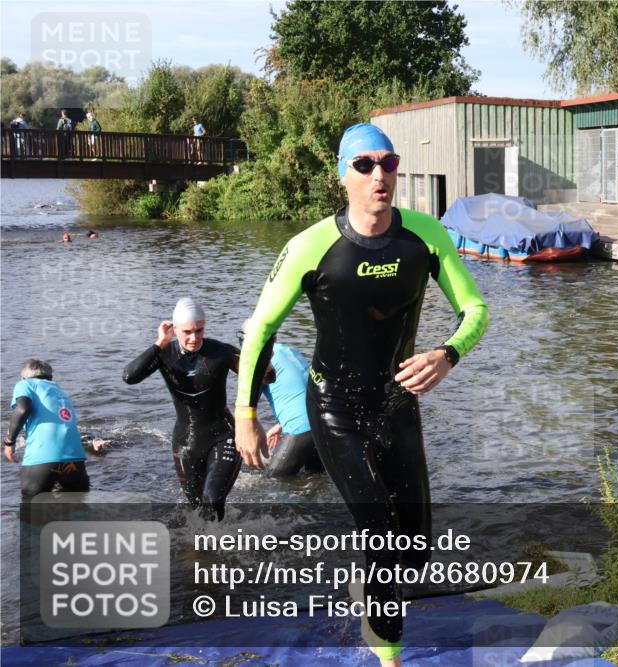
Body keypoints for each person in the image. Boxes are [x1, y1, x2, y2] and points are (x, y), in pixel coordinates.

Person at [234, 123, 488, 666]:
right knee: (381, 534)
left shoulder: (424, 236)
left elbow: (476, 310)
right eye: (366, 165)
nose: (380, 176)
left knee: (414, 550)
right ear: (342, 174)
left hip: (397, 408)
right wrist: (245, 413)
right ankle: (389, 655)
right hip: (335, 409)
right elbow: (259, 329)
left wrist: (447, 354)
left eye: (389, 164)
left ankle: (370, 592)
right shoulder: (310, 246)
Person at [122, 298, 242, 521]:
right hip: (186, 441)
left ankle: (217, 549)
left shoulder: (221, 352)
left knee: (212, 500)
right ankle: (204, 547)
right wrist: (159, 344)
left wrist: (262, 352)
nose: (194, 337)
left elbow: (267, 376)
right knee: (196, 510)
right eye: (187, 331)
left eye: (199, 330)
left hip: (224, 435)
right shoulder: (164, 354)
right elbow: (130, 376)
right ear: (174, 328)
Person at [239, 322, 321, 476]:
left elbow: (246, 412)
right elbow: (304, 388)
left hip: (301, 428)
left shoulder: (257, 362)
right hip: (320, 424)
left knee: (274, 479)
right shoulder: (290, 351)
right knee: (314, 479)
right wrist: (280, 426)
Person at [4, 360, 90, 499]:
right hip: (74, 459)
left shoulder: (25, 384)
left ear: (23, 377)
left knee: (32, 513)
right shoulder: (60, 392)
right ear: (50, 378)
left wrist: (9, 442)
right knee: (76, 510)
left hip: (42, 458)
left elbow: (23, 409)